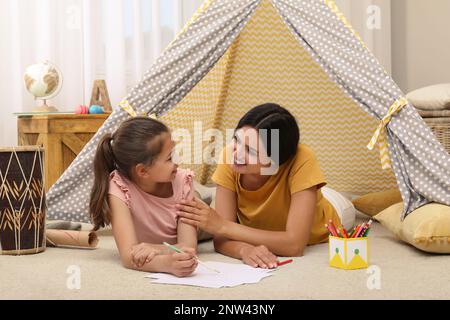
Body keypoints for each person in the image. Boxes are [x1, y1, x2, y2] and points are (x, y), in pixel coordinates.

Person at [176, 103, 355, 269]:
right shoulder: (230, 155)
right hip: (267, 220)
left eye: (251, 151)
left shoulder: (303, 158)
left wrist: (222, 225)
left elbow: (294, 245)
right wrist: (244, 250)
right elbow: (221, 239)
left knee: (346, 201)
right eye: (236, 140)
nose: (237, 153)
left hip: (330, 217)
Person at [90, 117, 198, 277]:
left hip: (197, 218)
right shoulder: (119, 187)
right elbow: (128, 256)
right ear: (143, 171)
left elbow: (188, 246)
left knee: (205, 212)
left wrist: (156, 248)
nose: (178, 160)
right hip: (170, 225)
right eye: (169, 158)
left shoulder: (183, 181)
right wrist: (167, 264)